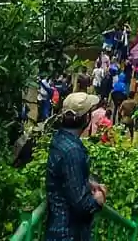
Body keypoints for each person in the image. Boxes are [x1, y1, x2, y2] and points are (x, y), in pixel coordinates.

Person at [45, 93, 107, 241]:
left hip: (57, 227)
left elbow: (66, 179)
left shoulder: (60, 139)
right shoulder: (73, 151)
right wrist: (98, 199)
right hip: (68, 232)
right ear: (85, 118)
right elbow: (82, 205)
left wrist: (86, 182)